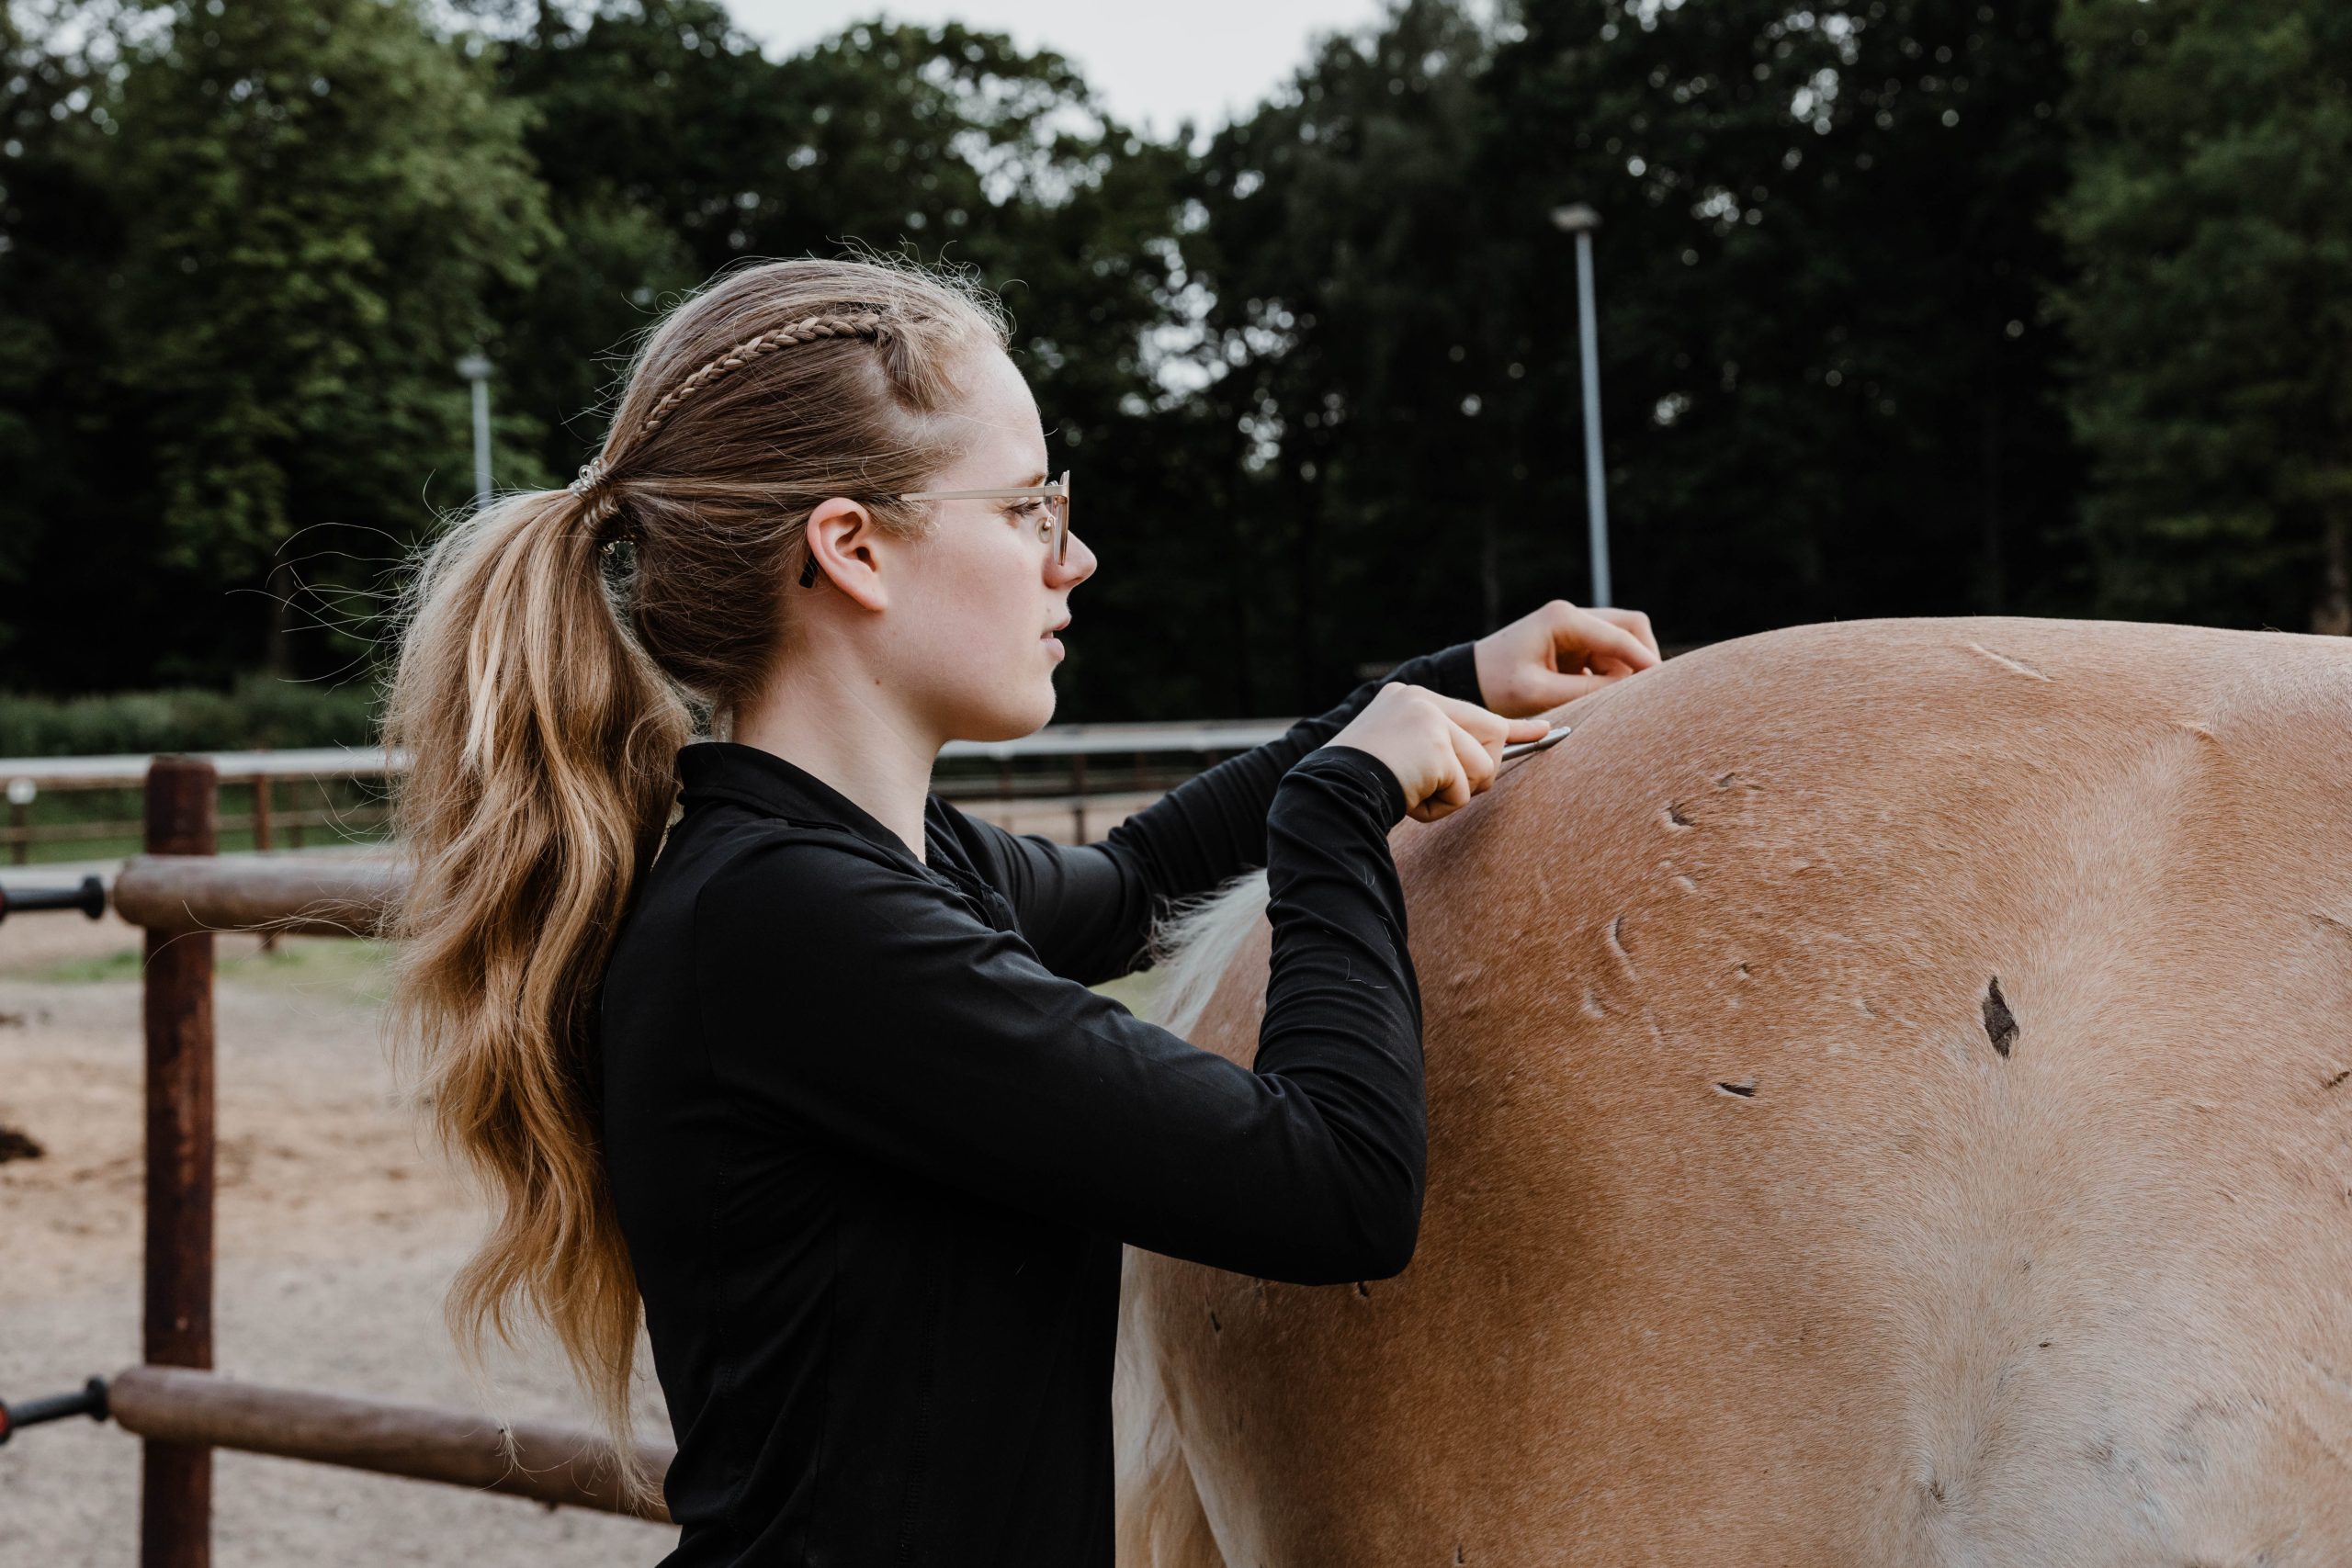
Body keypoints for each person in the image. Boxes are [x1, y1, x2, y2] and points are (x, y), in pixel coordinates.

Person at [384, 254, 1660, 1566]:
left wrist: (1450, 683)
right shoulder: (793, 927)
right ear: (854, 549)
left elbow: (1136, 886)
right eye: (1026, 509)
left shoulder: (859, 866)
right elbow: (1335, 1186)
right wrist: (1335, 819)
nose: (1076, 557)